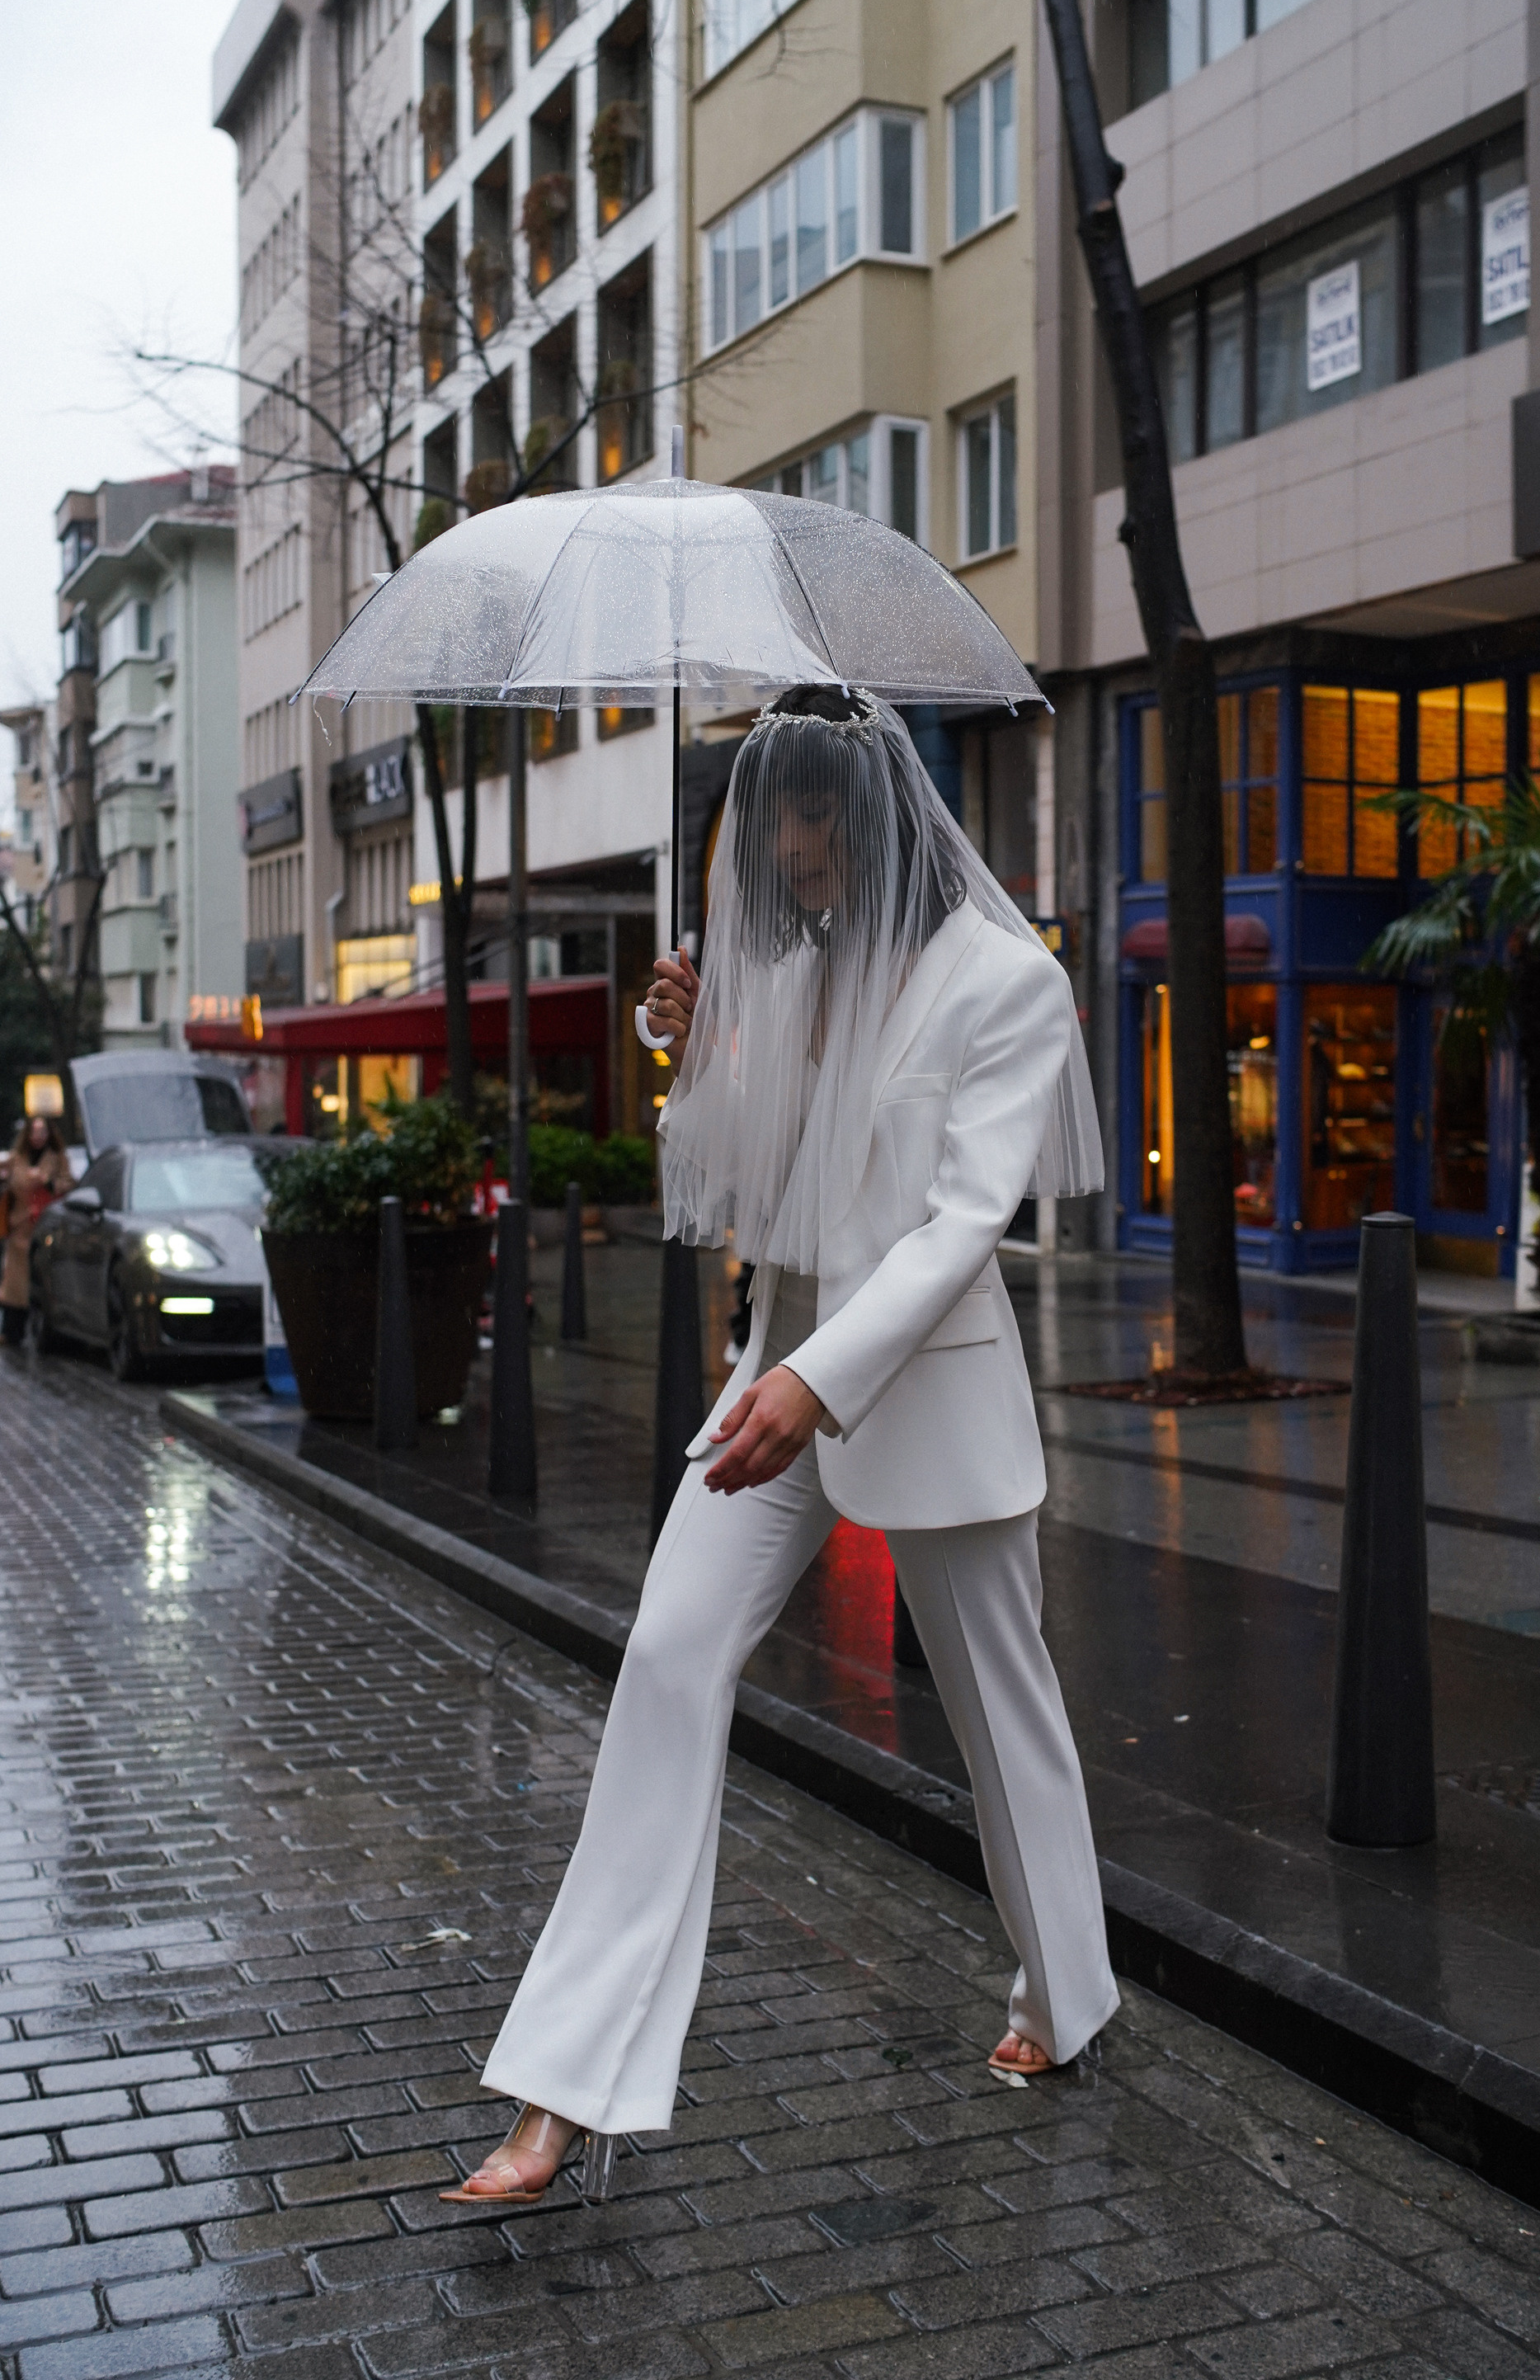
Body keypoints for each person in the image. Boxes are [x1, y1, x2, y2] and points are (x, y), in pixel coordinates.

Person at [442, 686, 1117, 2209]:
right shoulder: (800, 973)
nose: (787, 848)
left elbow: (963, 1224)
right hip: (776, 1392)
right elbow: (742, 1173)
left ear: (870, 810)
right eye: (772, 821)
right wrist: (687, 1051)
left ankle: (1066, 1992)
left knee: (1004, 1719)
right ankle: (563, 2089)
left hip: (919, 1391)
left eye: (807, 815)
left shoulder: (1007, 980)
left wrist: (823, 1376)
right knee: (667, 1663)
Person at [0, 1115, 73, 1347]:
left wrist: (47, 1181)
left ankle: (48, 1332)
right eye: (34, 1132)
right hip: (20, 1228)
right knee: (15, 1284)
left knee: (45, 1281)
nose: (38, 1137)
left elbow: (68, 1184)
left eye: (42, 1131)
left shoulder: (57, 1158)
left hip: (48, 1228)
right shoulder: (16, 1158)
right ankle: (12, 1331)